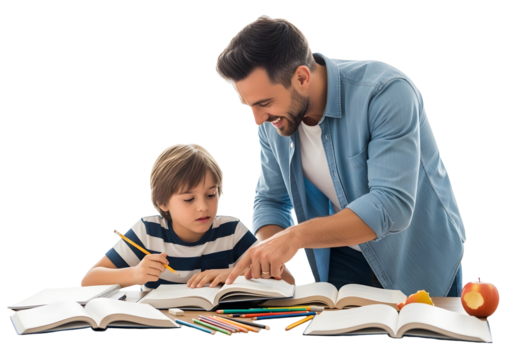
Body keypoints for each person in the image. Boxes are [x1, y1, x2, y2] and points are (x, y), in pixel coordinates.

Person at [215, 15, 466, 297]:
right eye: (247, 105)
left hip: (419, 260)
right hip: (342, 259)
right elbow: (272, 199)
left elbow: (392, 204)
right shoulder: (274, 121)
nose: (257, 119)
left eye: (264, 103)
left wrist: (295, 237)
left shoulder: (386, 92)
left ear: (301, 77)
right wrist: (269, 254)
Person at [79, 143, 297, 290]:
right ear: (163, 202)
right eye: (188, 199)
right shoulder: (146, 232)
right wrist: (135, 275)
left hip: (221, 325)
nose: (203, 207)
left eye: (211, 195)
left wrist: (235, 275)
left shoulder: (232, 231)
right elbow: (88, 280)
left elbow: (288, 280)